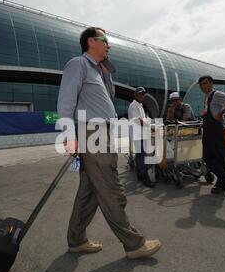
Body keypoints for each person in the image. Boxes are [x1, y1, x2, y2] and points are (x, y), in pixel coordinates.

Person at [57, 27, 161, 259]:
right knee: (111, 188)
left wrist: (106, 69)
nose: (109, 45)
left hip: (103, 131)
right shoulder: (78, 64)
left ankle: (76, 240)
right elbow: (65, 103)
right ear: (91, 42)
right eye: (105, 41)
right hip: (93, 132)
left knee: (90, 191)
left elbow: (109, 97)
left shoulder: (98, 71)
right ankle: (134, 244)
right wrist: (69, 137)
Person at [128, 87, 155, 187]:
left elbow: (144, 119)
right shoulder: (133, 106)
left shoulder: (140, 105)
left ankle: (140, 175)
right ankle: (145, 178)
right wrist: (150, 123)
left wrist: (150, 121)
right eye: (140, 94)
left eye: (143, 94)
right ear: (135, 95)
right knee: (141, 157)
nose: (142, 96)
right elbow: (139, 121)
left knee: (140, 156)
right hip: (138, 135)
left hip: (141, 134)